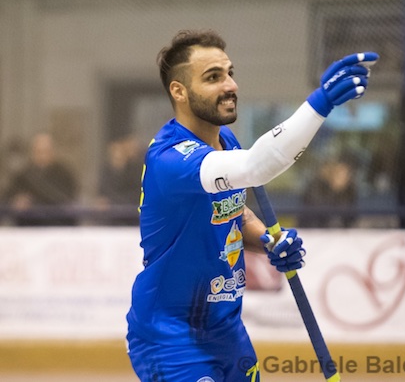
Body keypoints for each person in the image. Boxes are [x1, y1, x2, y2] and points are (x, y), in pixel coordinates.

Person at [126, 29, 378, 382]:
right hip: (170, 337)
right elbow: (256, 166)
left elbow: (232, 211)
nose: (230, 85)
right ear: (179, 91)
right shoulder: (172, 158)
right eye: (213, 77)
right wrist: (320, 103)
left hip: (227, 331)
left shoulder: (226, 139)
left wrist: (268, 241)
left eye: (230, 73)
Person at [2, 132, 78, 226]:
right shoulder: (22, 175)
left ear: (53, 152)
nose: (42, 156)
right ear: (32, 152)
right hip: (29, 227)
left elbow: (68, 201)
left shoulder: (65, 175)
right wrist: (16, 201)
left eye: (46, 151)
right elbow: (7, 198)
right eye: (38, 152)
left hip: (57, 226)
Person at [299, 155, 358, 228]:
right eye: (339, 173)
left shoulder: (350, 190)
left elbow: (350, 216)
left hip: (342, 230)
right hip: (313, 229)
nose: (343, 176)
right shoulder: (316, 187)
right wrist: (335, 189)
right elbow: (318, 212)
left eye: (346, 173)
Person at [96, 135, 143, 225]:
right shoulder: (106, 172)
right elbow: (102, 194)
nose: (117, 155)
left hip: (130, 218)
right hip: (110, 220)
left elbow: (135, 194)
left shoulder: (135, 171)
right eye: (114, 152)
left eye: (119, 151)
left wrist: (112, 202)